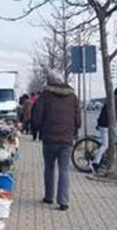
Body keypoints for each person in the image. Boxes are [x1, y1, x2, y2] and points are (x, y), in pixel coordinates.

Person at [32, 75, 81, 211]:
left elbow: (37, 116)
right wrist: (74, 130)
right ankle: (63, 201)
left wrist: (38, 130)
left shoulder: (45, 95)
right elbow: (78, 120)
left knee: (49, 167)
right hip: (66, 139)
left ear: (50, 82)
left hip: (49, 139)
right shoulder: (72, 96)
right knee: (64, 169)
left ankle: (49, 196)